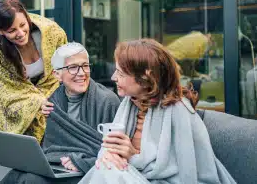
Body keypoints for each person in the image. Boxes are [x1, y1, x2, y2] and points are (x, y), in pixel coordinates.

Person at [79, 39, 236, 184]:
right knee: (106, 168)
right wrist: (108, 156)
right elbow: (109, 149)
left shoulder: (178, 111)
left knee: (109, 173)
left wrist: (132, 156)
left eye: (120, 73)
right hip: (133, 176)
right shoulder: (129, 104)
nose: (113, 77)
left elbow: (186, 174)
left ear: (146, 77)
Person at [1, 42, 120, 184]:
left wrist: (80, 163)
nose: (81, 73)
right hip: (60, 167)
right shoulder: (54, 101)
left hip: (91, 171)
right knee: (21, 176)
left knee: (31, 181)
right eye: (73, 68)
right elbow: (52, 148)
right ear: (57, 74)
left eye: (85, 66)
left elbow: (115, 153)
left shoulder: (107, 101)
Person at [0, 0, 67, 143]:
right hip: (17, 97)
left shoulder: (52, 32)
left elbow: (66, 63)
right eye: (12, 30)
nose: (21, 33)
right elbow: (8, 90)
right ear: (0, 31)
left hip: (52, 89)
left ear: (27, 17)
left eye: (23, 25)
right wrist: (37, 102)